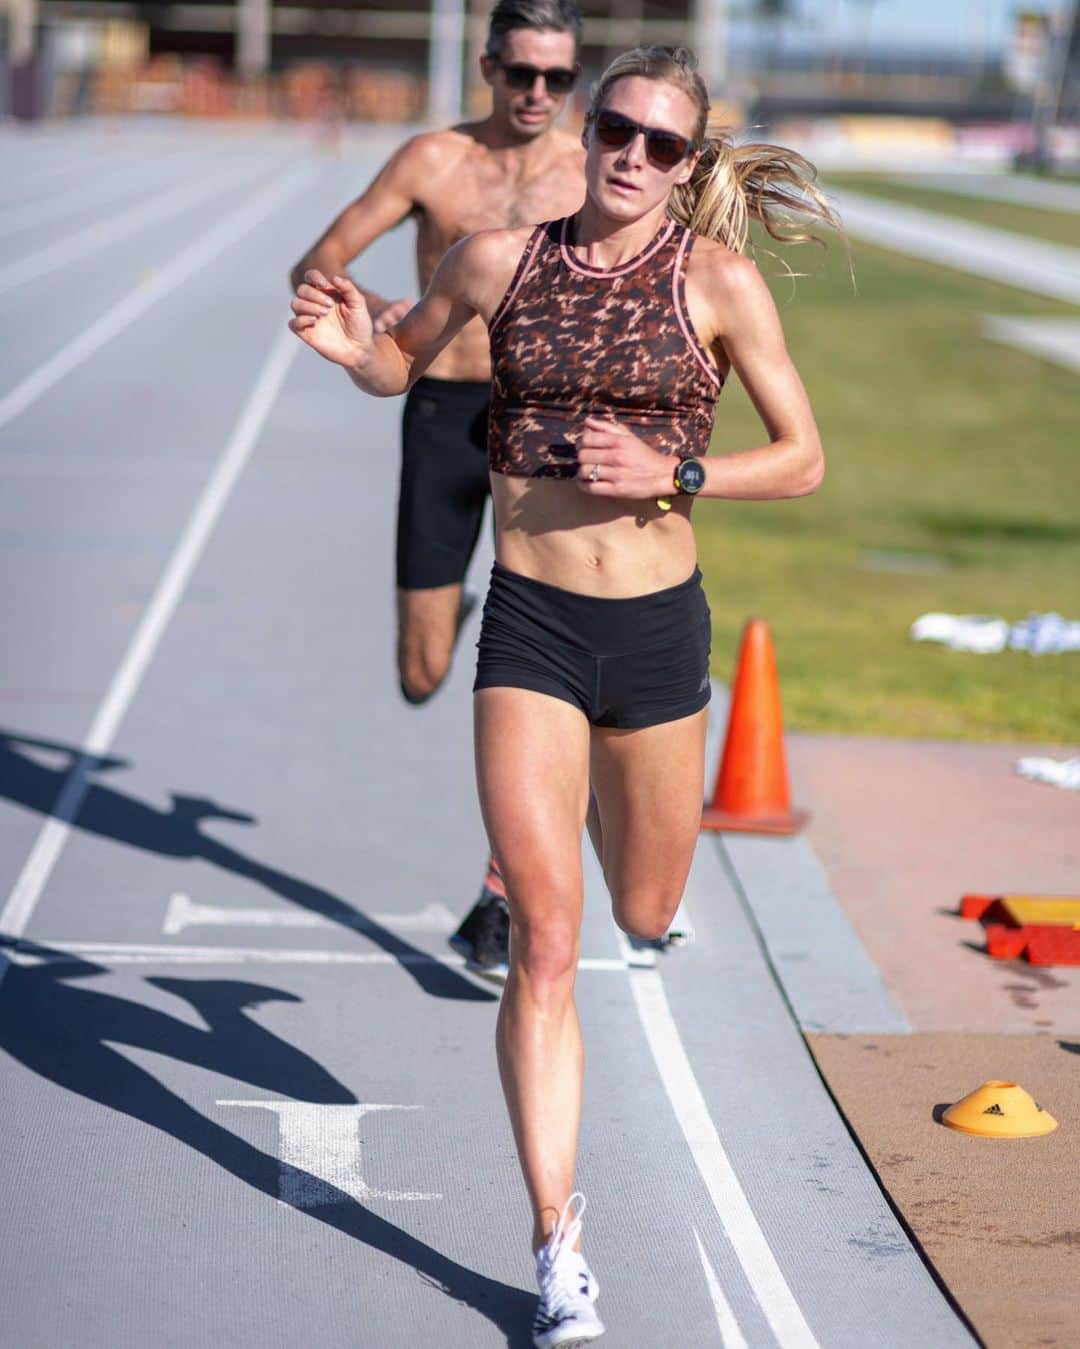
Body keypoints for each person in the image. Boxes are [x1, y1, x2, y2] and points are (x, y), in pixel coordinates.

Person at [290, 43, 837, 1349]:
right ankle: (556, 1250)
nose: (632, 157)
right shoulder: (496, 257)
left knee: (643, 907)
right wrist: (352, 346)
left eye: (662, 143)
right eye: (619, 130)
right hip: (530, 624)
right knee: (546, 939)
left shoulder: (719, 282)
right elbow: (401, 364)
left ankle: (618, 840)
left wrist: (677, 467)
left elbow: (805, 460)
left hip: (655, 640)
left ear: (690, 164)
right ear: (591, 130)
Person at [290, 0, 588, 982]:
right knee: (421, 673)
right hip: (441, 412)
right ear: (489, 66)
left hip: (546, 428)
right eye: (522, 74)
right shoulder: (433, 161)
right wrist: (388, 313)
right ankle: (454, 612)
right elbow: (318, 262)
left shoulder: (597, 161)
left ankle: (504, 889)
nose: (539, 94)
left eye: (558, 76)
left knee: (542, 673)